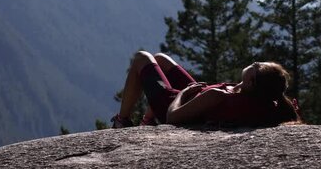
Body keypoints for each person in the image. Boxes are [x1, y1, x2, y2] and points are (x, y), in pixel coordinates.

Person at [111, 51, 301, 128]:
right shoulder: (259, 99)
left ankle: (122, 121)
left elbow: (172, 117)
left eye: (258, 66)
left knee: (141, 58)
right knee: (160, 59)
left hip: (175, 103)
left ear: (252, 82)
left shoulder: (217, 96)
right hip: (198, 97)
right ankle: (147, 122)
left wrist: (184, 94)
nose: (256, 61)